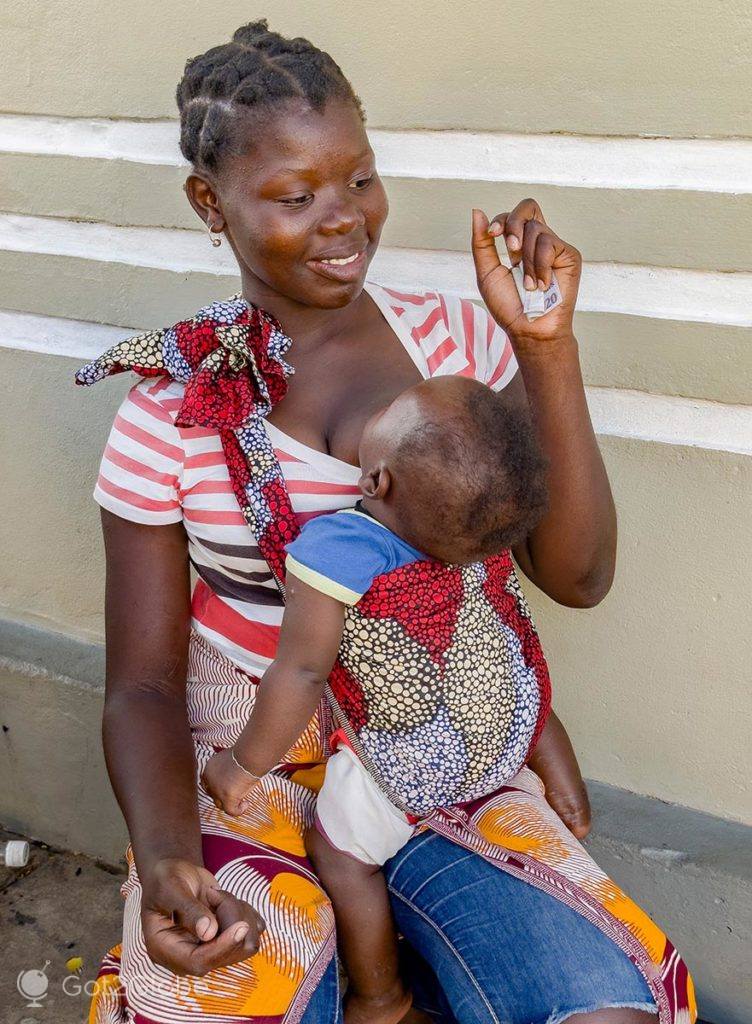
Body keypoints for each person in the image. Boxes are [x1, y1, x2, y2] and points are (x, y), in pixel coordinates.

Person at [82, 19, 695, 1024]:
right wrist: (165, 859)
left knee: (602, 1007)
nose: (343, 220)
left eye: (359, 180)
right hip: (251, 755)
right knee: (206, 1005)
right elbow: (142, 683)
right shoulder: (170, 409)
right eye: (296, 195)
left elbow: (574, 576)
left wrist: (542, 351)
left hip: (442, 729)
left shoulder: (450, 349)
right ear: (210, 203)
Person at [200, 374, 590, 1024]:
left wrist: (240, 768)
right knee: (506, 669)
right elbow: (514, 662)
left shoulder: (339, 549)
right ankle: (564, 796)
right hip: (501, 741)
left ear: (375, 483)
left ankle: (381, 995)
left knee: (342, 858)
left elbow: (299, 674)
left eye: (384, 413)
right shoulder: (483, 541)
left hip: (405, 766)